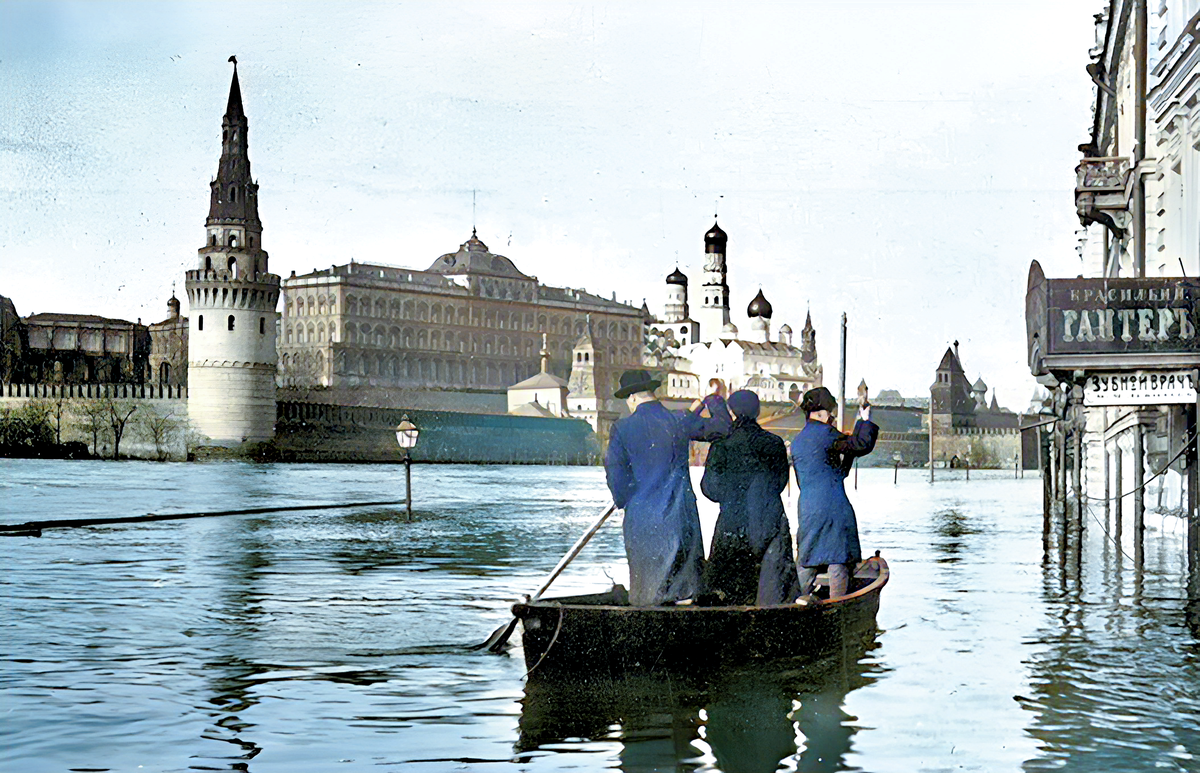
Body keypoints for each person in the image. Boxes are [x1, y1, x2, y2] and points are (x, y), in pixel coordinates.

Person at [604, 369, 732, 606]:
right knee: (685, 589)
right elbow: (723, 428)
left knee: (647, 591)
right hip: (680, 518)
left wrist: (626, 501)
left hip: (641, 521)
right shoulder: (679, 419)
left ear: (632, 397)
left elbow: (616, 477)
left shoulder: (622, 427)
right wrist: (713, 399)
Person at [699, 389, 799, 606]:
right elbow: (779, 483)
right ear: (758, 411)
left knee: (727, 592)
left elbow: (710, 489)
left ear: (732, 411)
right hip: (769, 522)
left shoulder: (721, 445)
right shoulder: (774, 442)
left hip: (732, 523)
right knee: (775, 592)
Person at [790, 386, 878, 600]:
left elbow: (836, 471)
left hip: (808, 506)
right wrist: (864, 420)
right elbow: (860, 445)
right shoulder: (827, 434)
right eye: (830, 413)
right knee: (838, 559)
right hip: (833, 505)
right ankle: (837, 605)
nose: (832, 417)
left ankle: (796, 603)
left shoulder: (798, 441)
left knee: (807, 558)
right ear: (822, 413)